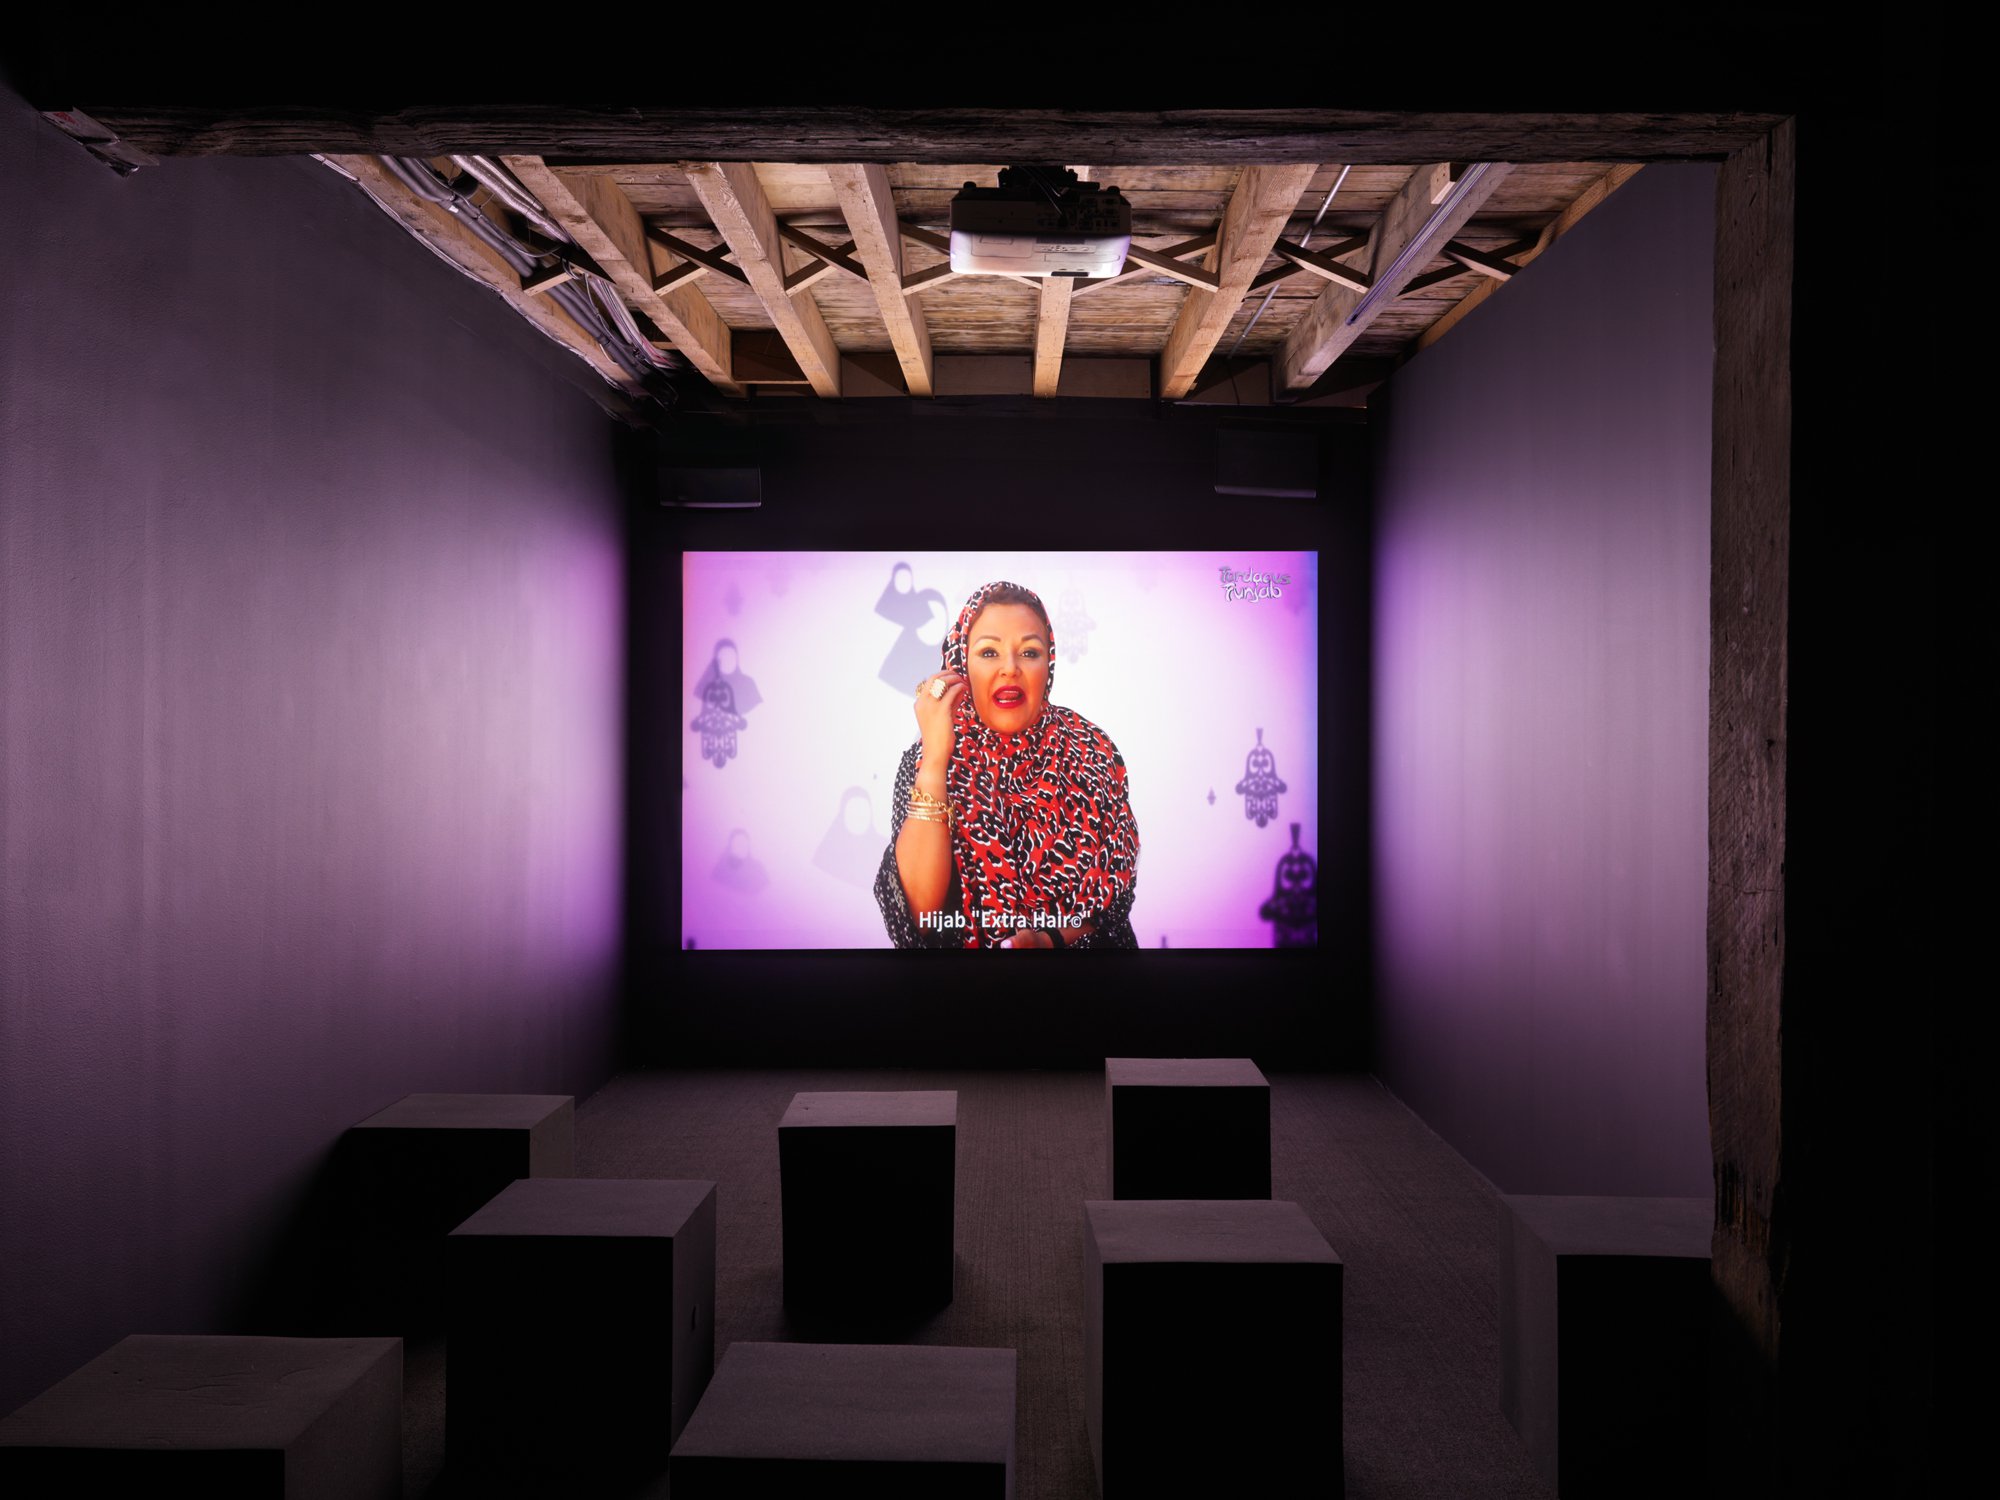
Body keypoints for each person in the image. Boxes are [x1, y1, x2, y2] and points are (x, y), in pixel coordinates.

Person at [874, 580, 1140, 949]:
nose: (1010, 668)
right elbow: (917, 919)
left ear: (1050, 662)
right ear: (960, 663)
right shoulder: (928, 760)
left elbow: (1112, 907)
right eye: (988, 653)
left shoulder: (1092, 751)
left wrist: (1049, 942)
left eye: (1029, 652)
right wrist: (936, 757)